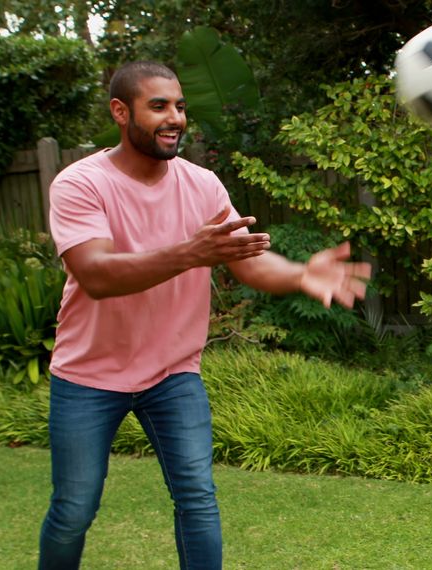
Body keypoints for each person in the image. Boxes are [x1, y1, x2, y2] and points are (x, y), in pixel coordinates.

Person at [39, 61, 371, 569]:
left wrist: (301, 274)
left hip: (173, 373)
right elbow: (97, 274)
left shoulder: (202, 185)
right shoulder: (80, 184)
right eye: (158, 107)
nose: (174, 117)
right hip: (89, 377)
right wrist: (190, 253)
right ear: (120, 112)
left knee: (197, 497)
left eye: (180, 106)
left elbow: (249, 259)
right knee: (74, 509)